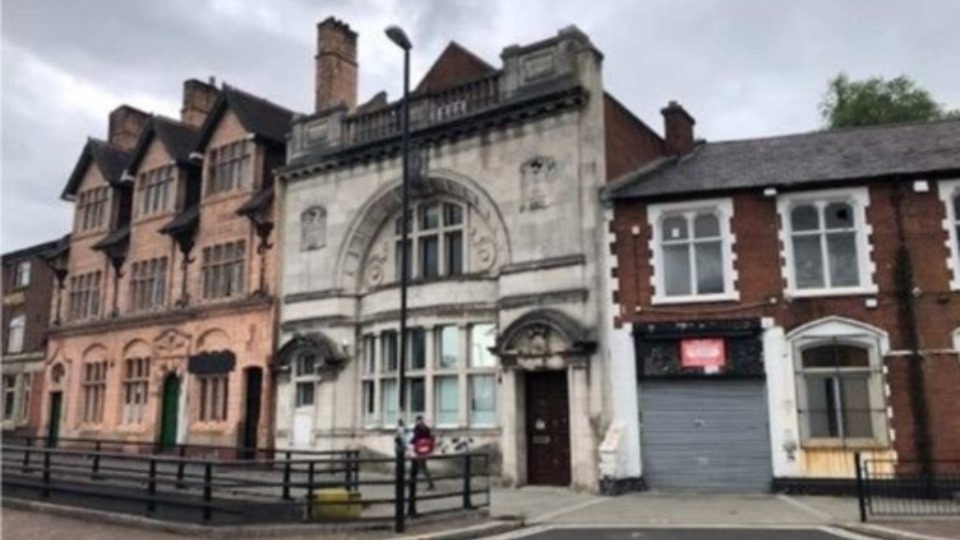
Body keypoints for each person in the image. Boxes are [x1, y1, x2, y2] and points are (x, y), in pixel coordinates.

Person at [410, 415, 436, 490]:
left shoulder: (417, 428)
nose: (419, 422)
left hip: (418, 450)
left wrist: (410, 442)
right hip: (424, 450)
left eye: (418, 420)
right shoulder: (426, 428)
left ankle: (431, 484)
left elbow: (415, 438)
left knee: (421, 467)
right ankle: (412, 482)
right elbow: (431, 438)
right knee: (418, 466)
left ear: (418, 421)